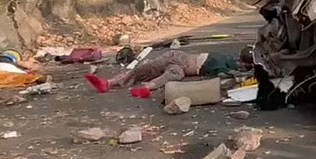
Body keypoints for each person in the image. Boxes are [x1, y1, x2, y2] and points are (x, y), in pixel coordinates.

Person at [84, 49, 250, 95]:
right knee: (146, 68)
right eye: (241, 61)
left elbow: (228, 77)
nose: (240, 63)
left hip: (184, 68)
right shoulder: (227, 60)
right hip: (179, 56)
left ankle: (147, 87)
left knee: (173, 75)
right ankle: (110, 82)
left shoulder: (230, 69)